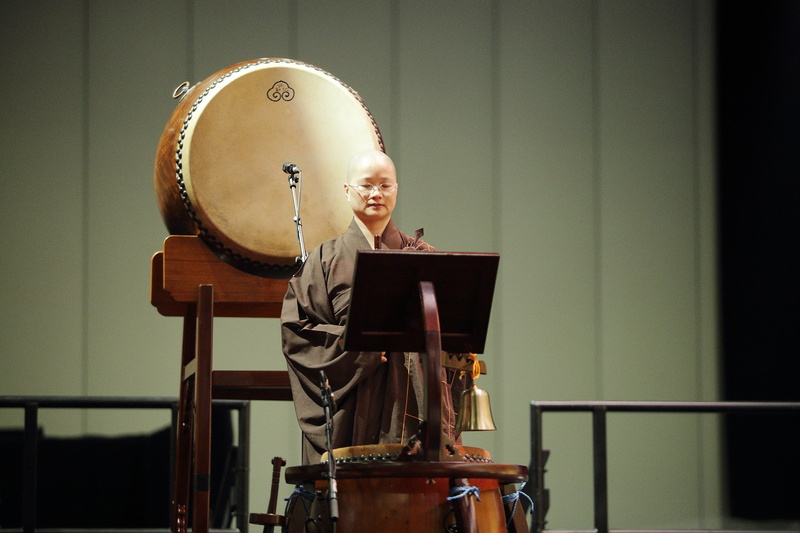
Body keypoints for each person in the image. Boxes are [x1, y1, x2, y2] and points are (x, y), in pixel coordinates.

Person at [281, 149, 465, 464]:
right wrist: (356, 348)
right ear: (347, 190)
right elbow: (297, 335)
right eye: (366, 185)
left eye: (385, 185)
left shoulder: (423, 255)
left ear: (396, 189)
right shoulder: (324, 260)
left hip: (414, 403)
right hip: (355, 407)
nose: (376, 194)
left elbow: (453, 334)